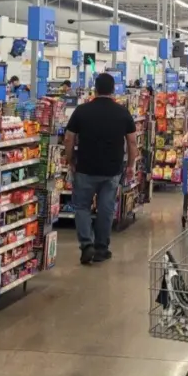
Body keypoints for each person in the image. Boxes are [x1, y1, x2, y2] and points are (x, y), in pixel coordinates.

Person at [64, 73, 140, 265]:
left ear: (95, 89)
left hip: (85, 168)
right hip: (112, 170)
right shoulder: (123, 113)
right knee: (106, 209)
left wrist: (70, 159)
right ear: (114, 90)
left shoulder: (81, 111)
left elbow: (68, 138)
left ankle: (86, 245)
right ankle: (101, 248)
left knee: (81, 206)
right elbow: (132, 143)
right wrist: (130, 165)